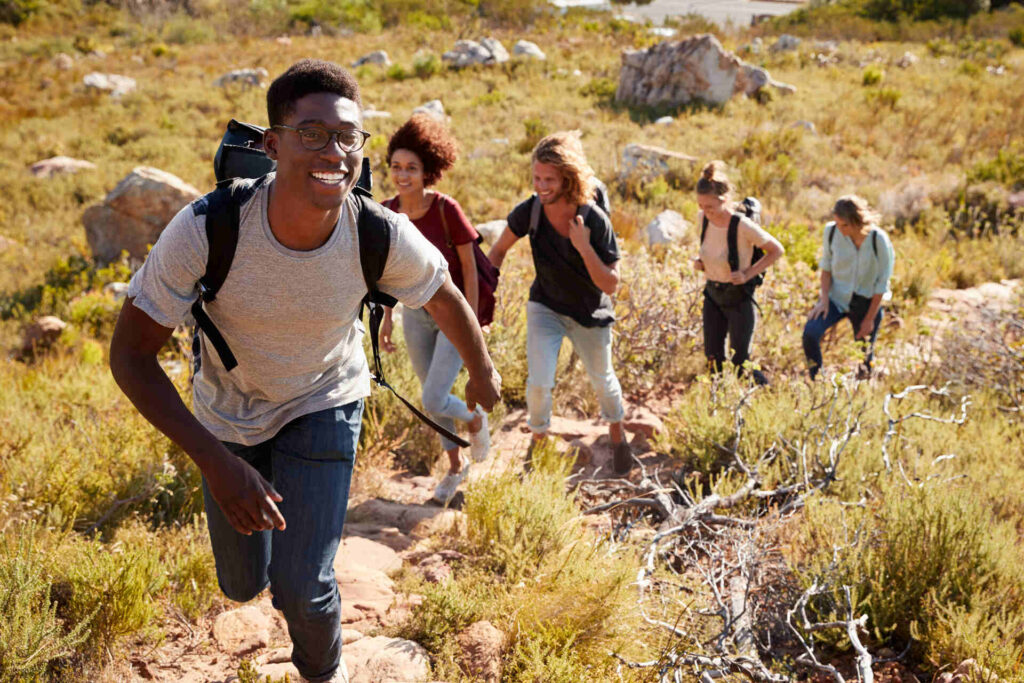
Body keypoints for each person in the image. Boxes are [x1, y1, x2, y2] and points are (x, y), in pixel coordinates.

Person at [108, 60, 500, 683]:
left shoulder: (376, 230)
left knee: (304, 586)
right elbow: (129, 355)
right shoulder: (209, 227)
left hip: (324, 400)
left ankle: (326, 673)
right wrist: (216, 462)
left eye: (348, 137)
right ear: (272, 144)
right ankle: (260, 560)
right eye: (313, 134)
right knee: (241, 585)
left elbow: (443, 291)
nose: (335, 152)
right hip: (228, 416)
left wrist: (480, 371)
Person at [488, 131, 633, 474]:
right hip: (546, 307)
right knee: (539, 382)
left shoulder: (594, 219)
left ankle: (617, 434)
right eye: (537, 178)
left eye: (549, 179)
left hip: (590, 313)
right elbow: (497, 251)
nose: (541, 186)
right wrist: (482, 293)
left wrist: (583, 247)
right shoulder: (532, 211)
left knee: (603, 380)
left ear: (568, 178)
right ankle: (537, 445)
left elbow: (611, 285)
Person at [380, 114, 490, 504]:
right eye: (396, 167)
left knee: (433, 398)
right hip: (413, 314)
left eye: (412, 168)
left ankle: (476, 420)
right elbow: (384, 274)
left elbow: (472, 271)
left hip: (452, 315)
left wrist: (472, 321)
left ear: (428, 170)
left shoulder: (446, 209)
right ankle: (455, 469)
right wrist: (387, 318)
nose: (403, 175)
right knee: (433, 397)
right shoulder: (386, 212)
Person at [693, 161, 783, 382]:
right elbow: (711, 249)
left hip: (739, 298)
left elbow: (776, 250)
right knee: (713, 359)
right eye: (701, 206)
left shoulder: (742, 225)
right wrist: (701, 262)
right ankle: (718, 407)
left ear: (724, 200)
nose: (706, 211)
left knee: (741, 362)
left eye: (710, 206)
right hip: (712, 295)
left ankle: (766, 396)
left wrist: (747, 274)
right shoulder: (703, 219)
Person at [803, 195, 894, 380]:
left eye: (844, 225)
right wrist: (824, 300)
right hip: (836, 298)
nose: (839, 228)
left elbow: (882, 284)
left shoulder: (878, 239)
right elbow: (826, 268)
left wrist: (869, 320)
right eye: (836, 223)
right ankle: (817, 381)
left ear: (857, 221)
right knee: (810, 333)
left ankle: (863, 394)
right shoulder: (831, 232)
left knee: (864, 358)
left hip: (867, 303)